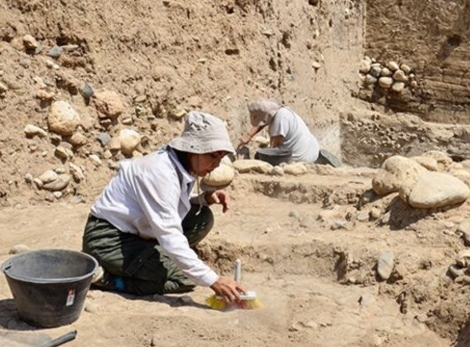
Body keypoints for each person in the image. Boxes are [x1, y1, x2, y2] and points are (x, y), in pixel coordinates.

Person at [82, 111, 245, 304]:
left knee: (202, 217)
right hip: (108, 240)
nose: (216, 165)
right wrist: (214, 280)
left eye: (221, 157)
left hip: (136, 233)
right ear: (194, 149)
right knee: (183, 278)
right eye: (213, 156)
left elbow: (166, 202)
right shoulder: (160, 173)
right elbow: (170, 234)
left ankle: (153, 259)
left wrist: (203, 199)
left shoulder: (180, 165)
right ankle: (106, 279)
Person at [239, 99, 341, 166]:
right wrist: (248, 135)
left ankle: (313, 163)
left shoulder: (280, 119)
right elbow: (264, 122)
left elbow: (273, 150)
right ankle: (319, 160)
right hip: (313, 148)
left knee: (264, 157)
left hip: (300, 158)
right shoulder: (281, 111)